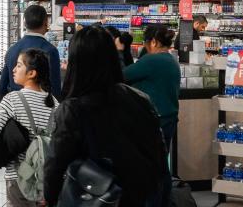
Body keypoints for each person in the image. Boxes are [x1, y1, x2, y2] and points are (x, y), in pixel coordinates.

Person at [44, 26, 167, 207]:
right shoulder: (139, 99)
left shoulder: (72, 110)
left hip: (96, 197)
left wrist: (51, 197)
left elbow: (55, 165)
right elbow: (159, 154)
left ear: (75, 62)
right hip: (140, 196)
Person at [0, 48, 58, 207]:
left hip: (18, 176)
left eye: (18, 65)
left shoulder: (12, 100)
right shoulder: (55, 104)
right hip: (47, 179)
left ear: (31, 73)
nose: (14, 69)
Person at [124, 24, 180, 207]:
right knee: (162, 167)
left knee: (148, 170)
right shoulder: (170, 60)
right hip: (169, 118)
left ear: (154, 42)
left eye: (147, 44)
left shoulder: (153, 61)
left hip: (153, 121)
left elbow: (123, 75)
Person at [0, 5, 61, 99]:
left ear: (24, 23)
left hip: (15, 107)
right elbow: (55, 89)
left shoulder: (12, 49)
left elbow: (2, 86)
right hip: (41, 109)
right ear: (46, 22)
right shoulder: (50, 51)